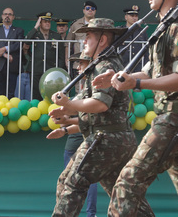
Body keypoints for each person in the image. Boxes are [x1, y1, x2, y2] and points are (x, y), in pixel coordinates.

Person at [92, 0, 178, 216]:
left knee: (128, 182)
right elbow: (155, 72)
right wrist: (122, 76)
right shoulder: (166, 27)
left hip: (177, 118)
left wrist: (137, 83)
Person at [49, 18, 153, 217]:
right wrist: (67, 109)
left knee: (71, 183)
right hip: (114, 139)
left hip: (105, 139)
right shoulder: (100, 64)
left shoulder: (106, 65)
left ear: (102, 40)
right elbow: (87, 98)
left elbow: (100, 104)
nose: (84, 41)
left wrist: (69, 105)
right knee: (125, 194)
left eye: (88, 36)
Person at [47, 51, 98, 217]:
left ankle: (91, 214)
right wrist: (64, 122)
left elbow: (92, 121)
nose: (77, 68)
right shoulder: (83, 87)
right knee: (66, 180)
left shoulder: (96, 87)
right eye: (77, 64)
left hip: (98, 142)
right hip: (76, 139)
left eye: (81, 63)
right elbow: (81, 119)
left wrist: (66, 124)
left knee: (120, 187)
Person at [25, 12, 65, 100]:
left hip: (51, 69)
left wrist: (59, 69)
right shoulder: (35, 34)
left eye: (49, 22)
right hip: (36, 68)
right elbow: (26, 42)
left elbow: (61, 54)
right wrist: (35, 27)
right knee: (36, 94)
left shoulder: (56, 36)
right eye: (45, 21)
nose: (47, 23)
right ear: (40, 23)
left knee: (51, 93)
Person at [0, 7, 24, 98]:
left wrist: (5, 48)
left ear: (13, 17)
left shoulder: (19, 30)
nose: (7, 16)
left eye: (10, 14)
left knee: (10, 93)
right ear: (2, 16)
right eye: (5, 14)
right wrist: (4, 54)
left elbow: (19, 44)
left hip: (12, 66)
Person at [65, 1, 97, 91]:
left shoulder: (99, 24)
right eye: (87, 8)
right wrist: (67, 59)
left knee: (94, 87)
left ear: (95, 11)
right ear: (83, 10)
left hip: (94, 61)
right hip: (79, 62)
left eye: (92, 9)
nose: (90, 10)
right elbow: (68, 43)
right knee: (79, 89)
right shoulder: (76, 24)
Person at [119, 5, 149, 72]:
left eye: (136, 16)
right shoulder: (120, 31)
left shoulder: (142, 32)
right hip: (122, 67)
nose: (134, 18)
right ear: (126, 17)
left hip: (138, 67)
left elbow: (146, 51)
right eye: (132, 16)